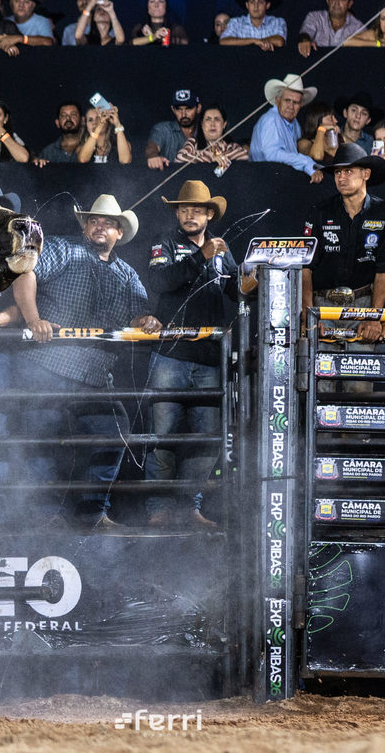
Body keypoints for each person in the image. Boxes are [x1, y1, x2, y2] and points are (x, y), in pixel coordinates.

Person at [0, 195, 161, 529]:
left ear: (119, 233)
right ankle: (41, 516)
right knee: (40, 439)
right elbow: (25, 273)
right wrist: (33, 318)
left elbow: (139, 313)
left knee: (112, 431)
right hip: (46, 365)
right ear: (84, 226)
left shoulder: (126, 274)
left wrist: (147, 321)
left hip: (94, 375)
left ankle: (92, 513)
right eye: (94, 220)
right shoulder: (63, 249)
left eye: (109, 223)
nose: (100, 227)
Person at [145, 181, 241, 529]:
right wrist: (203, 256)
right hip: (170, 354)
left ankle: (189, 507)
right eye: (184, 209)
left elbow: (238, 291)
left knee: (207, 438)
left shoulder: (221, 249)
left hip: (209, 358)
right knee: (162, 435)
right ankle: (158, 508)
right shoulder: (165, 242)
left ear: (209, 214)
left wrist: (258, 275)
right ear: (177, 213)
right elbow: (160, 281)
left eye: (197, 209)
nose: (189, 214)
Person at [302, 143, 385, 348]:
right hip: (322, 306)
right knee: (318, 368)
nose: (341, 178)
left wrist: (373, 317)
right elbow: (305, 268)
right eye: (337, 172)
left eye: (348, 171)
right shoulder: (320, 212)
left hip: (363, 305)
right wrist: (308, 315)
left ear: (366, 174)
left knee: (360, 368)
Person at [251, 73, 324, 182]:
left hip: (280, 179)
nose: (291, 106)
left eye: (296, 102)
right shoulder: (271, 120)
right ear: (277, 100)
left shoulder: (294, 124)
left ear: (301, 105)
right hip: (263, 180)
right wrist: (307, 163)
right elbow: (272, 154)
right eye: (287, 100)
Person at [298, 0, 362, 57]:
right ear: (328, 1)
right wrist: (305, 41)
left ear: (349, 4)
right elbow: (305, 33)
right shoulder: (315, 17)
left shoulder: (358, 26)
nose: (337, 3)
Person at [176, 104, 249, 168]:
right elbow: (180, 157)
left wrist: (220, 157)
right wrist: (211, 156)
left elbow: (244, 155)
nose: (212, 124)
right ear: (202, 124)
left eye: (217, 119)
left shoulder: (231, 146)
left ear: (224, 124)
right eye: (208, 119)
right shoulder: (193, 142)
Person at [220, 0, 286, 50]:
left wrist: (255, 42)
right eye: (252, 2)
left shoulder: (277, 22)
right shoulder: (235, 22)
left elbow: (280, 41)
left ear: (267, 5)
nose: (256, 6)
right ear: (247, 5)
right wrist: (254, 41)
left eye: (260, 2)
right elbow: (223, 41)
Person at [146, 88, 201, 169]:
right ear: (173, 109)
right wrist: (153, 156)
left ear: (198, 108)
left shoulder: (206, 130)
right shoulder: (163, 129)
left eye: (188, 108)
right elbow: (152, 146)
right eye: (179, 109)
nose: (183, 114)